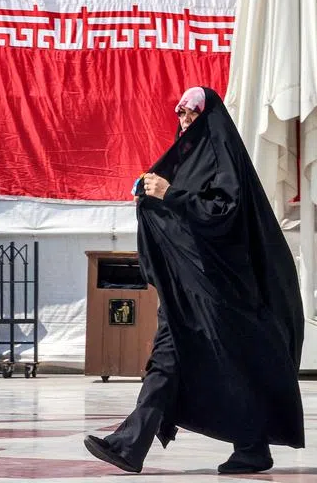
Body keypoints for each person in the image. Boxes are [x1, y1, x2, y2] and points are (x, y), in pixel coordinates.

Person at [84, 86, 305, 475]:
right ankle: (130, 446)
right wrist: (149, 199)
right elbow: (180, 215)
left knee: (234, 364)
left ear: (208, 116)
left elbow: (224, 213)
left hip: (219, 289)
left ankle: (252, 447)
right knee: (166, 360)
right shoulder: (185, 160)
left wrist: (170, 194)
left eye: (193, 113)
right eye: (181, 113)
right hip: (184, 287)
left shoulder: (222, 158)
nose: (185, 121)